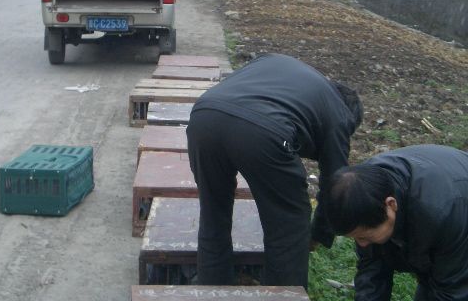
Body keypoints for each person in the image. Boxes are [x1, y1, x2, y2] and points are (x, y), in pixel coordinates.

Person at [186, 53, 363, 288]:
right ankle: (284, 292)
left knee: (213, 214)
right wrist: (318, 234)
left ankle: (212, 289)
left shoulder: (288, 70)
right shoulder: (340, 113)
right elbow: (335, 183)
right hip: (263, 129)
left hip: (204, 117)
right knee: (289, 225)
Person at [325, 144, 468, 300]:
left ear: (391, 205)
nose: (362, 244)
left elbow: (453, 290)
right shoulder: (361, 193)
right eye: (355, 237)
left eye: (364, 237)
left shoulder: (441, 213)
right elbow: (372, 271)